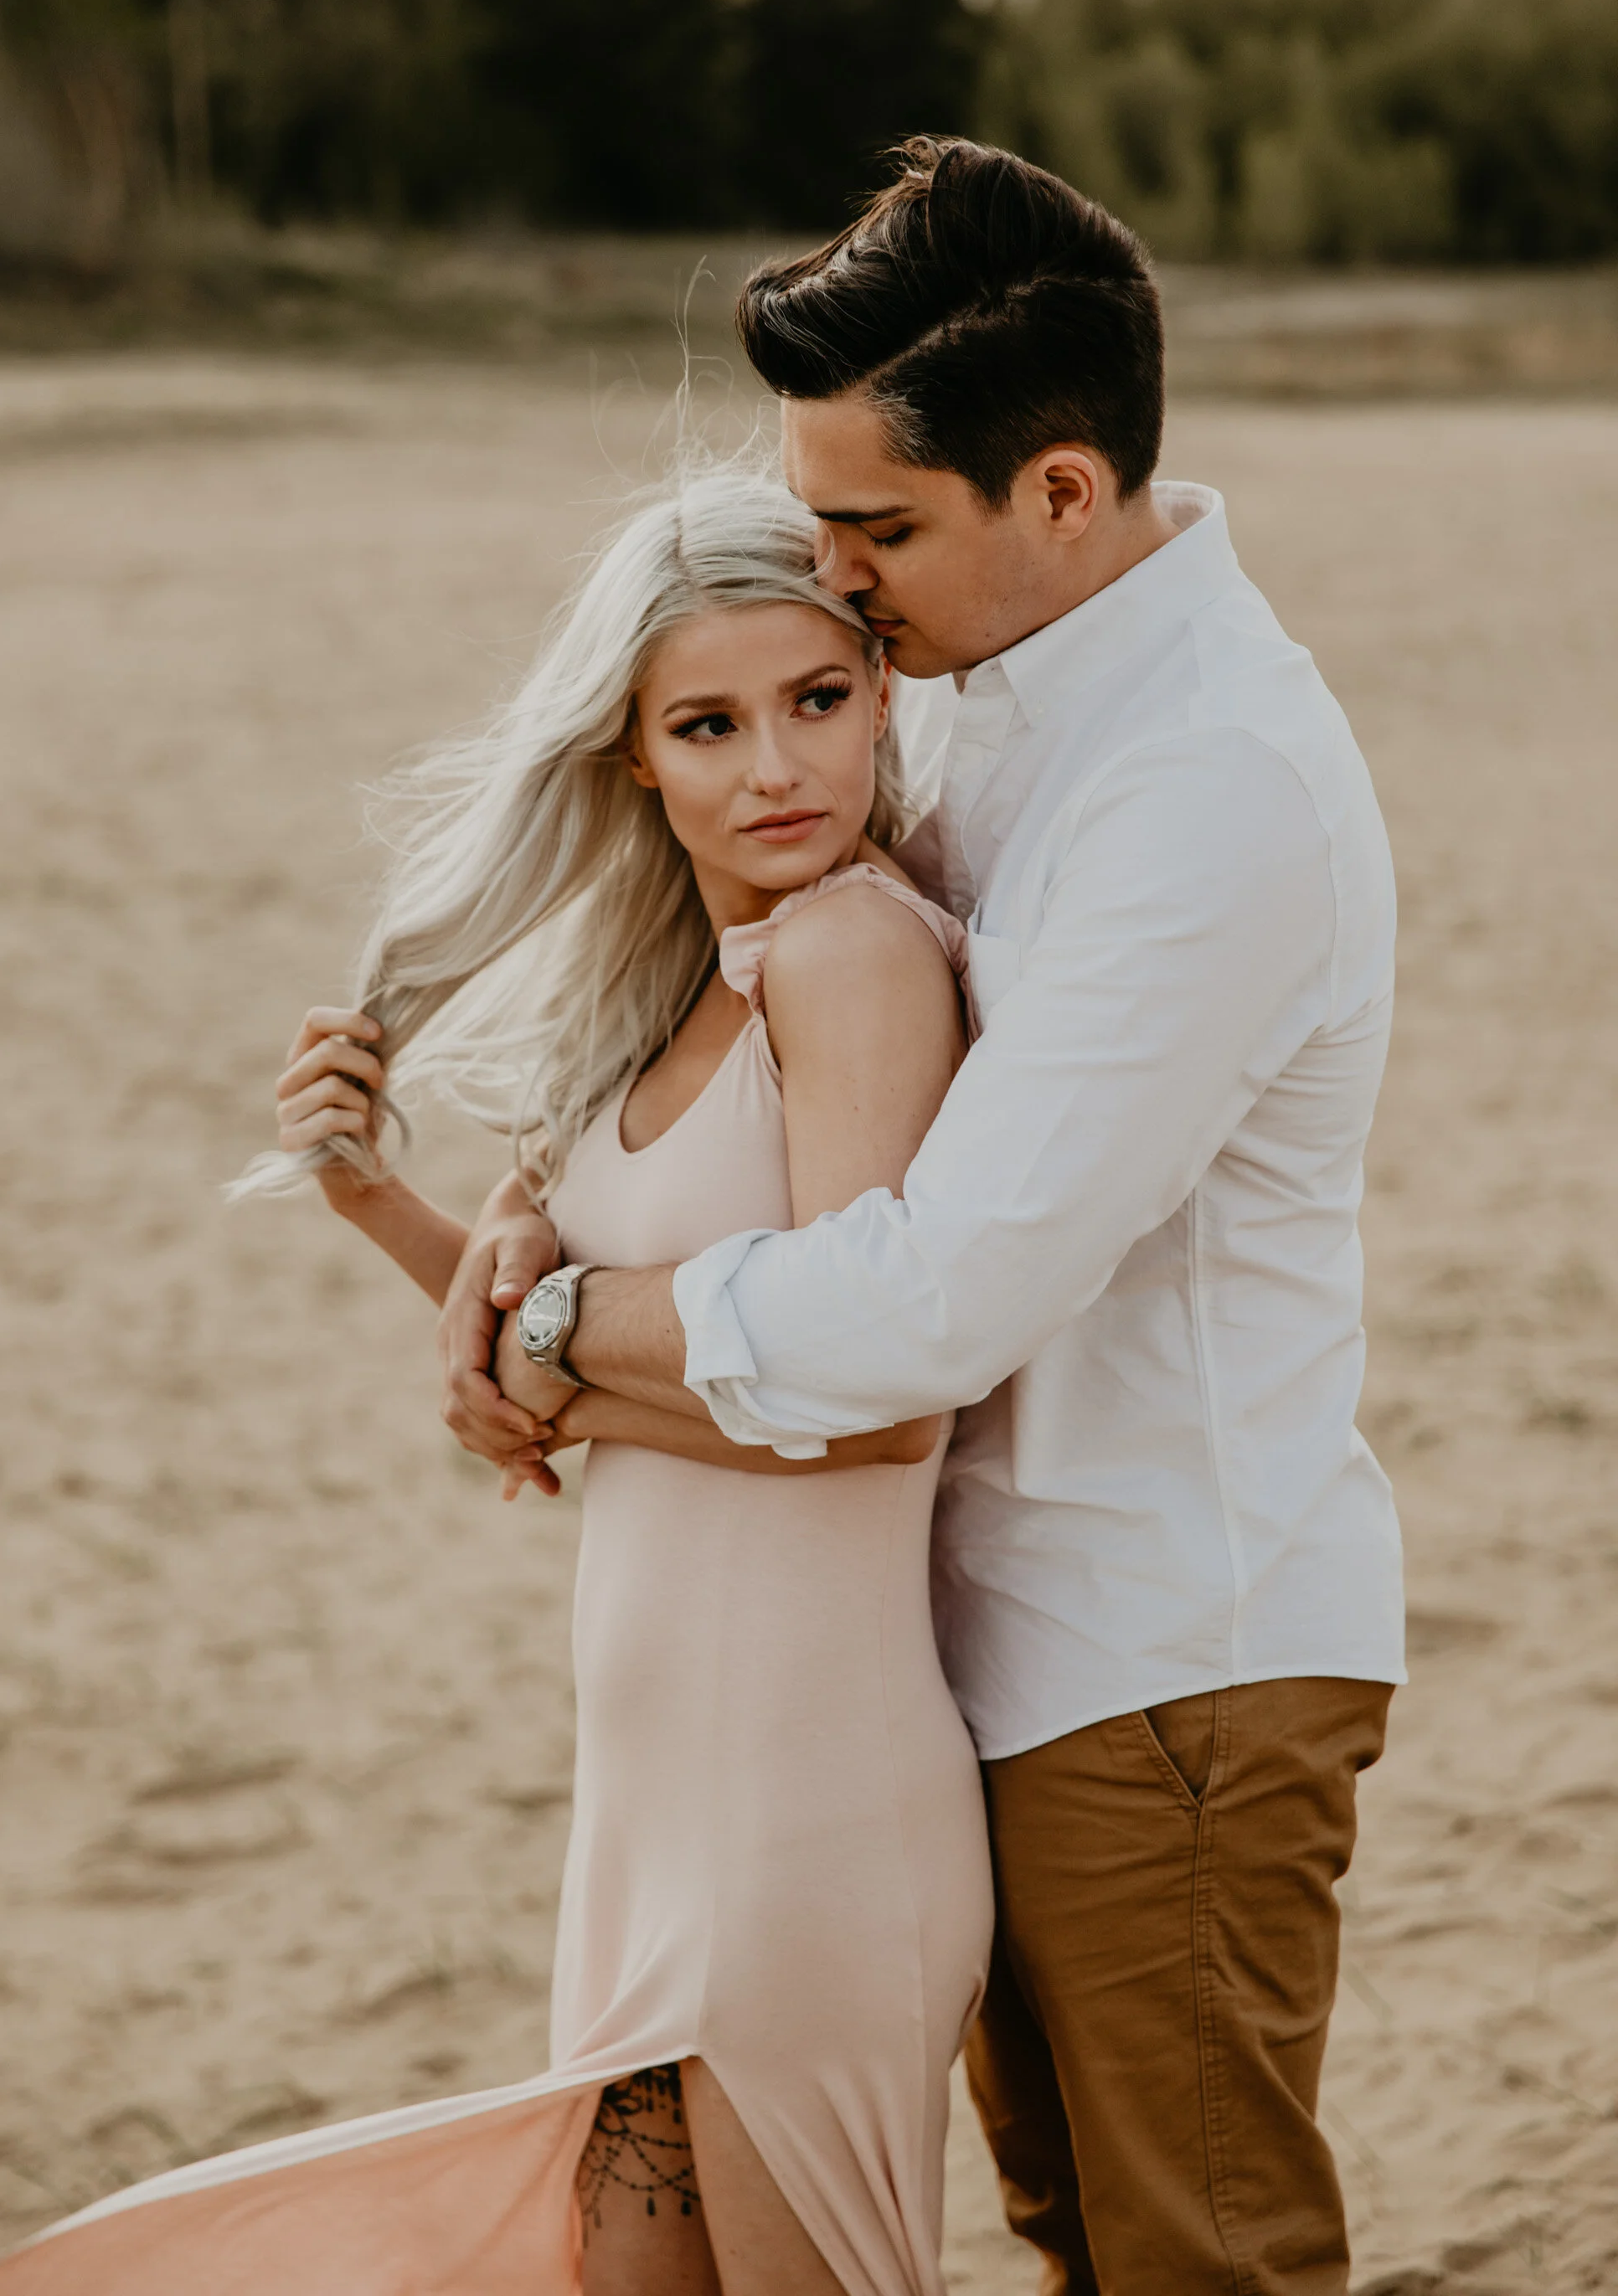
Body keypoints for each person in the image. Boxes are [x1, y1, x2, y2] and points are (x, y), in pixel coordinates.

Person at [448, 139, 1407, 2296]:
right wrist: (522, 1203)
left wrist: (562, 1325)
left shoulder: (1202, 789)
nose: (839, 581)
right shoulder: (1010, 702)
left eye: (876, 531)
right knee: (1083, 2241)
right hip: (988, 1654)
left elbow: (927, 1305)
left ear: (1058, 490)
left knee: (1197, 2262)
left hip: (1166, 1660)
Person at [0, 472, 992, 2296]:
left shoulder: (850, 949)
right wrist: (377, 1201)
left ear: (879, 698)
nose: (777, 767)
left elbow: (876, 1405)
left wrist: (550, 1354)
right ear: (633, 759)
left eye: (819, 699)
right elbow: (558, 1365)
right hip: (654, 1810)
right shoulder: (678, 994)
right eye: (709, 724)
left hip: (806, 1811)